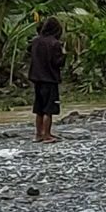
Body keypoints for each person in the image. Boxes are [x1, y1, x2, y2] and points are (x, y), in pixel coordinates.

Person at [30, 16, 66, 144]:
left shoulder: (35, 41)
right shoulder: (54, 43)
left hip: (37, 78)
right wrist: (64, 53)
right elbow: (57, 62)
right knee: (48, 109)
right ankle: (47, 135)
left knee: (39, 108)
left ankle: (38, 134)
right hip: (50, 79)